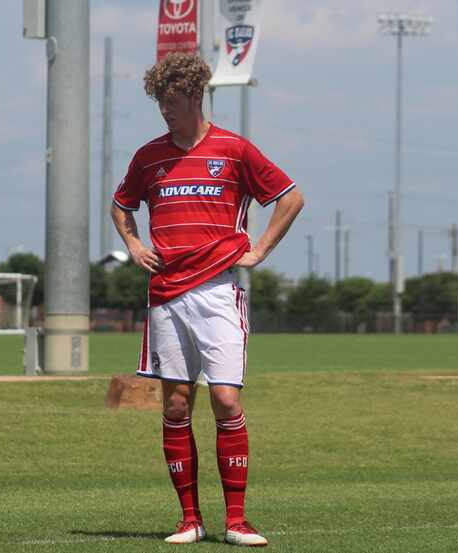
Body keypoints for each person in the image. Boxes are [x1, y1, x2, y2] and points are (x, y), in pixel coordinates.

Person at [110, 52, 304, 546]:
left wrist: (259, 249)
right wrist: (134, 245)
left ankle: (236, 521)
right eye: (159, 104)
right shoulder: (148, 156)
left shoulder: (234, 150)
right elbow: (120, 205)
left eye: (171, 102)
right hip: (165, 296)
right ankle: (189, 520)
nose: (165, 112)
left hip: (219, 291)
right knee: (175, 405)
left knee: (224, 398)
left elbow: (290, 198)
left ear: (194, 97)